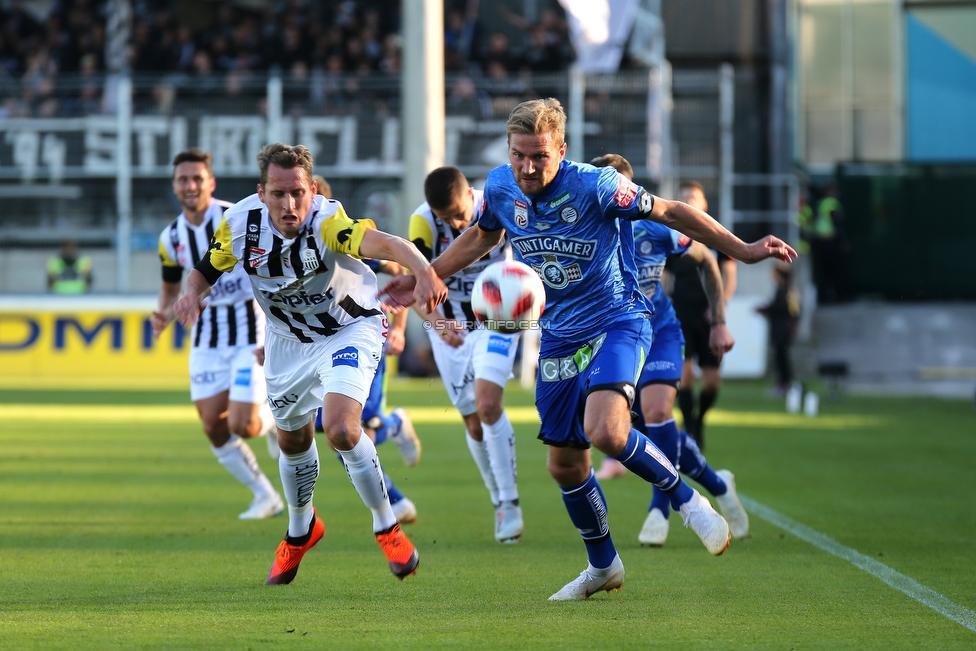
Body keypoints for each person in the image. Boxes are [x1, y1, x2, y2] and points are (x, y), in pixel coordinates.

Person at [380, 98, 795, 600]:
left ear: (562, 149)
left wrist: (744, 249)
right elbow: (479, 238)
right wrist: (425, 276)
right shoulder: (500, 185)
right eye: (519, 155)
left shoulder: (596, 185)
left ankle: (689, 503)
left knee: (606, 430)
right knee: (564, 465)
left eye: (540, 156)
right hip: (558, 332)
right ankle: (604, 565)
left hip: (618, 320)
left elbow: (673, 211)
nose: (528, 168)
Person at [174, 143, 446, 585]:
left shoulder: (328, 222)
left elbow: (390, 244)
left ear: (312, 189)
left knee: (340, 427)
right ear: (261, 193)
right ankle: (301, 531)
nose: (289, 204)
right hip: (287, 342)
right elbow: (206, 269)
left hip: (348, 328)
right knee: (293, 441)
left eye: (297, 192)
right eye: (278, 194)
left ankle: (386, 524)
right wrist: (191, 293)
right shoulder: (239, 225)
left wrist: (425, 270)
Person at [589, 154, 749, 546]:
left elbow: (707, 261)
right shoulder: (583, 231)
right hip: (611, 340)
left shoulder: (657, 228)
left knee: (659, 413)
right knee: (642, 429)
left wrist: (719, 321)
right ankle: (716, 482)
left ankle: (659, 509)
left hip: (658, 331)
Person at [152, 148, 283, 521]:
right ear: (175, 186)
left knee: (245, 424)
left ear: (210, 182)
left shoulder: (238, 218)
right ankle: (265, 496)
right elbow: (170, 287)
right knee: (213, 424)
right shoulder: (171, 237)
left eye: (197, 178)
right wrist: (163, 313)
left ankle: (277, 418)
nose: (190, 185)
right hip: (207, 339)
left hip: (250, 333)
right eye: (183, 179)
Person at [407, 166, 524, 543]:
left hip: (498, 320)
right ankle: (497, 499)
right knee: (474, 422)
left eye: (459, 213)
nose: (457, 223)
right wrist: (440, 324)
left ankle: (510, 501)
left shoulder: (495, 206)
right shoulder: (422, 223)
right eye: (448, 219)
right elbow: (417, 288)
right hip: (451, 327)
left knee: (489, 405)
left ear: (469, 198)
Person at [311, 172, 423, 526]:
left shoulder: (345, 241)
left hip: (360, 341)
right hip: (317, 348)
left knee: (360, 430)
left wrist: (400, 328)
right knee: (333, 434)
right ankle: (393, 491)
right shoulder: (287, 246)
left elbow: (402, 265)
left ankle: (393, 496)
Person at [667, 181, 737, 451]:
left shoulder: (717, 236)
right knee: (685, 376)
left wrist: (720, 306)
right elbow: (666, 276)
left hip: (709, 317)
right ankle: (691, 429)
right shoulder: (674, 237)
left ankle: (699, 420)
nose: (690, 202)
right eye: (684, 198)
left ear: (704, 203)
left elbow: (730, 275)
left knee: (711, 382)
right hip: (680, 313)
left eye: (694, 197)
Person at [757, 263, 801, 394]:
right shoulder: (782, 290)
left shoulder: (788, 291)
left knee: (782, 358)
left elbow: (790, 311)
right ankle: (783, 383)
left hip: (783, 330)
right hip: (780, 329)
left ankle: (785, 384)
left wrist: (766, 309)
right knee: (779, 357)